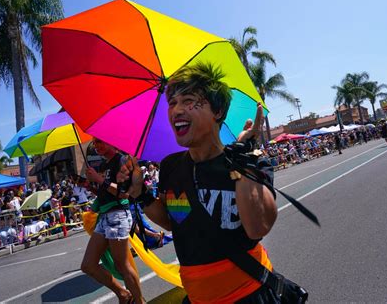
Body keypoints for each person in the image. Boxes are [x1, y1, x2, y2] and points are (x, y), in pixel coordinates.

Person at [119, 63, 278, 303]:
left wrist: (243, 157)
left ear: (217, 110)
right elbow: (175, 222)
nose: (176, 110)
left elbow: (258, 227)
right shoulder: (171, 166)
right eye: (172, 103)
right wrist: (140, 193)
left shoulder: (251, 162)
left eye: (189, 100)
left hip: (250, 294)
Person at [81, 138, 144, 304]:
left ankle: (139, 301)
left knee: (122, 265)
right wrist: (91, 187)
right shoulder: (103, 166)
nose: (97, 146)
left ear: (111, 142)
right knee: (88, 265)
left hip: (118, 215)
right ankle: (123, 294)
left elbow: (124, 194)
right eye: (95, 143)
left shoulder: (122, 160)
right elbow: (106, 193)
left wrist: (100, 179)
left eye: (100, 141)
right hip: (104, 216)